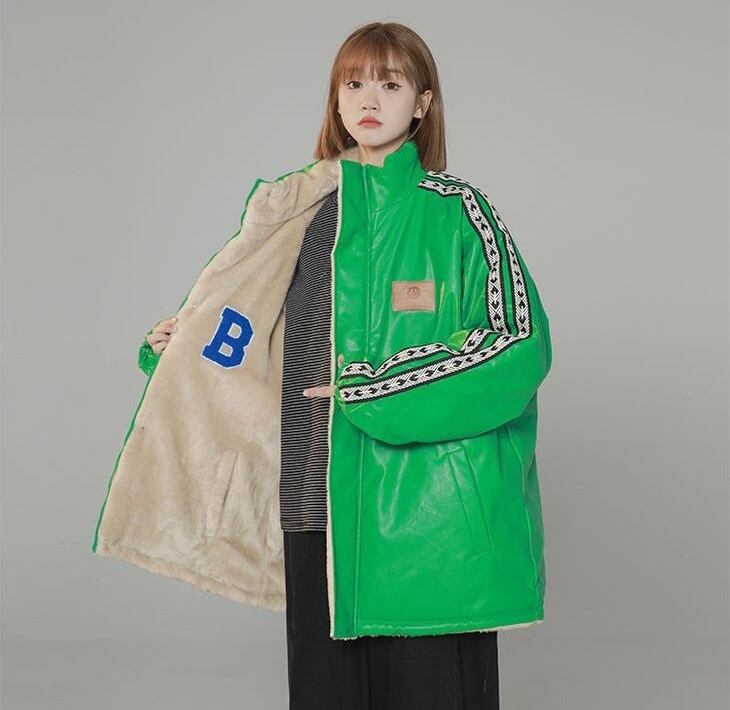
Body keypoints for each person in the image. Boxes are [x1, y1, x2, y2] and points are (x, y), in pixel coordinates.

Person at [121, 20, 552, 710]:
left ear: (423, 104)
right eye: (353, 84)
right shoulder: (296, 213)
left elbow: (516, 342)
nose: (368, 99)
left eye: (390, 83)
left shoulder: (457, 213)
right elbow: (255, 338)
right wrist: (182, 351)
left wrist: (379, 389)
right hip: (313, 503)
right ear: (335, 99)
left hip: (426, 520)